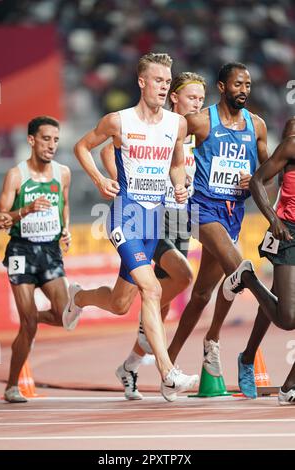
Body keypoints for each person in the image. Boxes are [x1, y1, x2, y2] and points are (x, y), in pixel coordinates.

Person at [62, 53, 198, 402]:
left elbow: (177, 164)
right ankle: (168, 373)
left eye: (167, 82)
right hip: (126, 216)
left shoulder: (176, 125)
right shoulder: (118, 121)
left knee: (121, 303)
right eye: (157, 80)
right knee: (151, 290)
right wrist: (99, 179)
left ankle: (77, 296)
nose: (163, 86)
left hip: (154, 219)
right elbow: (82, 147)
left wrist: (180, 184)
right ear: (142, 82)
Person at [100, 72, 206, 400]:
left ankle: (132, 364)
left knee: (146, 303)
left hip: (183, 220)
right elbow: (107, 149)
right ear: (174, 97)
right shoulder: (158, 125)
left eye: (202, 100)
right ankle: (165, 369)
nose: (198, 104)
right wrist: (119, 180)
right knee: (174, 280)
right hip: (153, 217)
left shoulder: (196, 131)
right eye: (192, 98)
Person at [166, 62, 269, 377]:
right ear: (223, 87)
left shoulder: (258, 126)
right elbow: (171, 150)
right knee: (240, 268)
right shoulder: (199, 122)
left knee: (200, 295)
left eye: (248, 85)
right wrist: (179, 177)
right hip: (202, 208)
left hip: (233, 213)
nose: (244, 91)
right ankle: (274, 310)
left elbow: (269, 173)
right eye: (237, 84)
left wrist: (253, 178)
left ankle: (176, 357)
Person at [0, 116, 71, 403]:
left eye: (55, 139)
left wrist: (65, 229)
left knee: (66, 315)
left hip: (50, 250)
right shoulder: (16, 176)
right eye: (45, 139)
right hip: (21, 250)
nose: (51, 145)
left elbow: (64, 203)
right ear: (31, 140)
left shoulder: (63, 173)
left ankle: (30, 319)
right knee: (28, 324)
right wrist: (23, 212)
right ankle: (12, 386)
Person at [223, 117, 295, 404]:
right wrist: (273, 218)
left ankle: (289, 386)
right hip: (288, 231)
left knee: (279, 306)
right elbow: (257, 182)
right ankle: (248, 277)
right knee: (287, 318)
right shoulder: (291, 144)